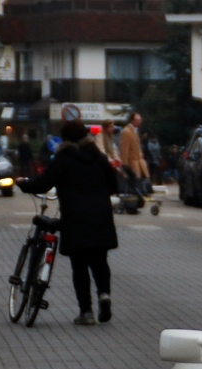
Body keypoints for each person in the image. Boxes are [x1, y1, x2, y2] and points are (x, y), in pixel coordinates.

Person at [17, 121, 119, 326]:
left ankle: (86, 312)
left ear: (65, 139)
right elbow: (114, 185)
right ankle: (104, 294)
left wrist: (23, 184)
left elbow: (44, 183)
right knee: (100, 261)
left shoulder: (63, 159)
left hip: (75, 218)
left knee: (79, 266)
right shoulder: (98, 157)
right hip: (100, 215)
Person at [120, 113, 150, 194]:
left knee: (140, 179)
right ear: (132, 120)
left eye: (140, 120)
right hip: (132, 161)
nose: (140, 122)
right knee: (135, 179)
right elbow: (124, 149)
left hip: (138, 160)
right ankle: (136, 194)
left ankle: (141, 192)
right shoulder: (127, 131)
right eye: (138, 120)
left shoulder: (135, 131)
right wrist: (124, 164)